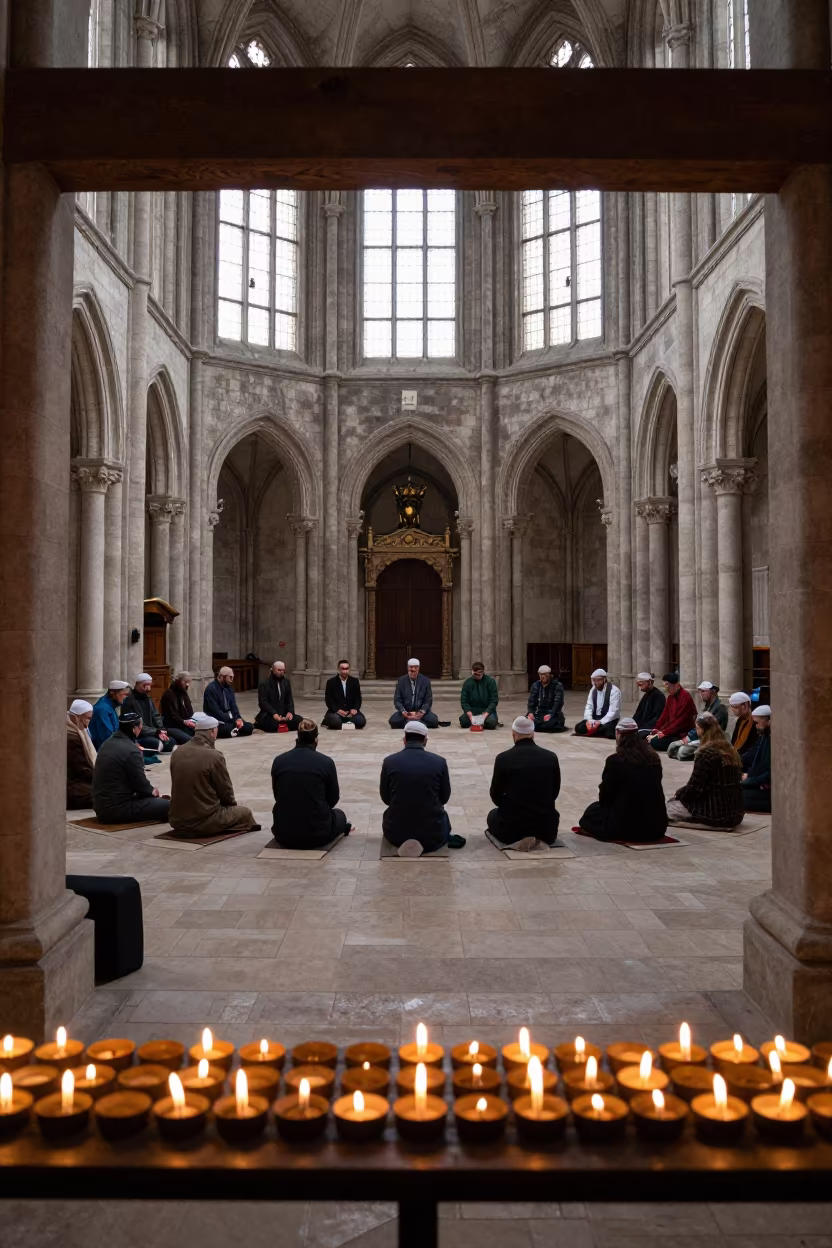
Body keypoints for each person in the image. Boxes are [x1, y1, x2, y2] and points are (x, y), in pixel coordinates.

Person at [578, 717, 668, 844]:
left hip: (625, 827)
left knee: (591, 812)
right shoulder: (653, 758)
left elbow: (605, 796)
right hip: (656, 826)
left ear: (618, 734)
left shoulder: (615, 761)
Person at [168, 714, 259, 839]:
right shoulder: (214, 756)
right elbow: (226, 791)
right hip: (204, 820)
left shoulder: (178, 752)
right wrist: (230, 807)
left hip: (176, 820)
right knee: (245, 813)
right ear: (212, 732)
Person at [380, 720, 463, 856]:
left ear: (404, 739)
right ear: (425, 740)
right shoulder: (439, 762)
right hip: (433, 835)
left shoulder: (389, 762)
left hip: (396, 833)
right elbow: (444, 797)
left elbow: (386, 798)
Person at [270, 718, 349, 848]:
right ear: (316, 739)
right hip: (318, 833)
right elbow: (333, 799)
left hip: (284, 832)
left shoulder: (279, 761)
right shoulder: (326, 762)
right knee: (340, 815)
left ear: (298, 737)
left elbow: (277, 795)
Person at [486, 715, 561, 850]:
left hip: (512, 830)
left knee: (492, 815)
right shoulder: (551, 757)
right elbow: (554, 792)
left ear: (513, 734)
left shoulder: (504, 758)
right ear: (533, 734)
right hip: (545, 829)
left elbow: (495, 794)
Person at [666, 713, 744, 829]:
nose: (697, 731)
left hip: (715, 812)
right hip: (736, 812)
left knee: (667, 808)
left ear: (704, 730)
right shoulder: (731, 750)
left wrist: (679, 794)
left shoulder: (706, 753)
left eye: (697, 728)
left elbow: (695, 789)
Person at [91, 711, 170, 824]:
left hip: (100, 806)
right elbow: (141, 785)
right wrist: (152, 791)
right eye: (140, 726)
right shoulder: (131, 751)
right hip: (116, 810)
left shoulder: (107, 743)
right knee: (168, 806)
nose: (141, 729)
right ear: (134, 729)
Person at [668, 681, 728, 760]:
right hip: (700, 738)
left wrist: (688, 740)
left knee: (682, 751)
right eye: (700, 691)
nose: (701, 694)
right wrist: (686, 739)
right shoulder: (707, 707)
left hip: (712, 739)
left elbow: (710, 729)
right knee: (672, 747)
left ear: (712, 692)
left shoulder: (720, 708)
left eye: (703, 691)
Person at [123, 674, 175, 755]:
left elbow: (155, 715)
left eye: (150, 685)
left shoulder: (148, 698)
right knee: (156, 743)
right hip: (139, 734)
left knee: (170, 741)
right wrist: (156, 732)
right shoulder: (130, 700)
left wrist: (161, 729)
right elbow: (137, 724)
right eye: (146, 685)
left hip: (152, 732)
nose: (148, 688)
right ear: (138, 684)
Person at [647, 673, 697, 753]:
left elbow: (680, 722)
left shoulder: (685, 696)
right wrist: (656, 729)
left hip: (681, 733)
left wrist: (663, 733)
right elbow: (664, 715)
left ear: (676, 685)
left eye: (667, 685)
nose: (666, 688)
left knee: (654, 742)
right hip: (670, 731)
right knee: (645, 735)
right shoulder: (670, 697)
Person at [204, 666, 255, 738]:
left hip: (229, 719)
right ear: (222, 677)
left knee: (248, 727)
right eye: (230, 677)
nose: (232, 680)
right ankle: (234, 730)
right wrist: (232, 720)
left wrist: (238, 718)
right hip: (217, 720)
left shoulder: (228, 688)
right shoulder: (211, 689)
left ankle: (235, 730)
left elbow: (233, 705)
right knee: (226, 729)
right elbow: (214, 710)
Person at [389, 659, 439, 730]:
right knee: (393, 721)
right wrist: (403, 712)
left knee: (433, 721)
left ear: (419, 668)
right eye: (411, 667)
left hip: (421, 712)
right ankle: (417, 722)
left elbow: (428, 701)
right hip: (406, 712)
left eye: (416, 667)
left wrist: (421, 712)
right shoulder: (401, 681)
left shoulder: (425, 681)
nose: (413, 670)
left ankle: (411, 722)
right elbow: (397, 700)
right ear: (408, 668)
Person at [256, 660, 300, 732]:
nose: (281, 672)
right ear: (273, 670)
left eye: (283, 670)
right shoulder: (264, 684)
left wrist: (290, 712)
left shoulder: (286, 682)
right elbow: (263, 702)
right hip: (270, 713)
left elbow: (289, 699)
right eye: (279, 670)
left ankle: (282, 724)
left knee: (299, 720)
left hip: (283, 713)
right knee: (271, 724)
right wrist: (274, 713)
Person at [66, 699, 96, 809]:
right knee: (108, 794)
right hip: (72, 787)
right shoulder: (71, 736)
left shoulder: (77, 729)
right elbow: (81, 769)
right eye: (87, 718)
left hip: (79, 781)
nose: (87, 723)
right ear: (77, 717)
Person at [742, 705, 772, 813]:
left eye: (757, 723)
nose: (756, 726)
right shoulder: (764, 736)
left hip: (767, 790)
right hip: (757, 782)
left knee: (735, 797)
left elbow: (770, 773)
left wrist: (750, 780)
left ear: (767, 721)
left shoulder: (771, 739)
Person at [574, 669, 621, 738]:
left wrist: (600, 722)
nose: (596, 683)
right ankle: (597, 730)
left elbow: (613, 711)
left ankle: (596, 730)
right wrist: (589, 720)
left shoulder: (614, 691)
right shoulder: (593, 690)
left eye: (598, 680)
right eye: (594, 680)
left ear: (604, 679)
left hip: (608, 720)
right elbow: (589, 706)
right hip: (594, 719)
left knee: (610, 732)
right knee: (578, 727)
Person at [323, 660, 366, 730]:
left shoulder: (354, 681)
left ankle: (344, 722)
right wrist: (337, 710)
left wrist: (355, 709)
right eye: (343, 669)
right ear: (338, 669)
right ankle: (342, 722)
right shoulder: (331, 682)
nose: (345, 671)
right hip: (336, 711)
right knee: (335, 722)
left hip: (350, 711)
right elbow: (328, 699)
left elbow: (358, 698)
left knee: (361, 722)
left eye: (347, 669)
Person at [89, 680, 130, 750]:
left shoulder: (110, 707)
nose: (125, 697)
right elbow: (107, 738)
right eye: (123, 694)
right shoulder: (103, 710)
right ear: (112, 693)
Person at [526, 665, 566, 733]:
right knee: (523, 721)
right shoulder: (536, 685)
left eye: (545, 674)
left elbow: (558, 703)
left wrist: (551, 714)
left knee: (552, 724)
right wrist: (531, 713)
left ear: (549, 675)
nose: (542, 677)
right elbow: (531, 702)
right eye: (541, 675)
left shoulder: (557, 685)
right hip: (540, 713)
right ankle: (537, 724)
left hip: (553, 714)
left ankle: (537, 725)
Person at [459, 661, 499, 729]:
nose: (477, 676)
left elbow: (494, 700)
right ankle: (477, 722)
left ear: (482, 672)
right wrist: (469, 713)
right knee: (463, 722)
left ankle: (482, 722)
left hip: (486, 710)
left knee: (491, 723)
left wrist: (487, 712)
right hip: (473, 710)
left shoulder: (490, 682)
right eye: (475, 674)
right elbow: (464, 700)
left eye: (479, 674)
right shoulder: (468, 683)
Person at [160, 671, 197, 740]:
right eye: (186, 682)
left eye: (188, 683)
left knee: (200, 735)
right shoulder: (169, 694)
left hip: (183, 726)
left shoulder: (183, 693)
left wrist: (192, 721)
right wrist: (184, 722)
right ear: (180, 681)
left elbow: (189, 711)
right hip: (172, 726)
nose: (187, 685)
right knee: (190, 740)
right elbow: (171, 715)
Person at [729, 691, 759, 767]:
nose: (732, 710)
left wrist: (738, 759)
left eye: (735, 707)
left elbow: (753, 748)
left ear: (745, 706)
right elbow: (734, 741)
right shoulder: (740, 720)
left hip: (745, 761)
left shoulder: (755, 722)